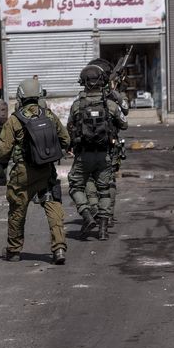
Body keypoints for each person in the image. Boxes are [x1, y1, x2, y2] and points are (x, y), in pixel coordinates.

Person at [0, 78, 69, 265]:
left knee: (17, 210)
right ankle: (59, 248)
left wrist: (2, 165)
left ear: (20, 95)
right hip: (46, 170)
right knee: (53, 206)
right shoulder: (49, 115)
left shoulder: (15, 120)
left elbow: (4, 150)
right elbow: (65, 139)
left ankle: (14, 251)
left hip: (23, 172)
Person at [67, 63, 128, 241]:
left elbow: (70, 128)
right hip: (104, 154)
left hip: (83, 155)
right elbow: (124, 124)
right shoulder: (110, 104)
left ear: (83, 83)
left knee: (76, 185)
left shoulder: (77, 105)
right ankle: (103, 229)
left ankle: (86, 214)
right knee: (105, 189)